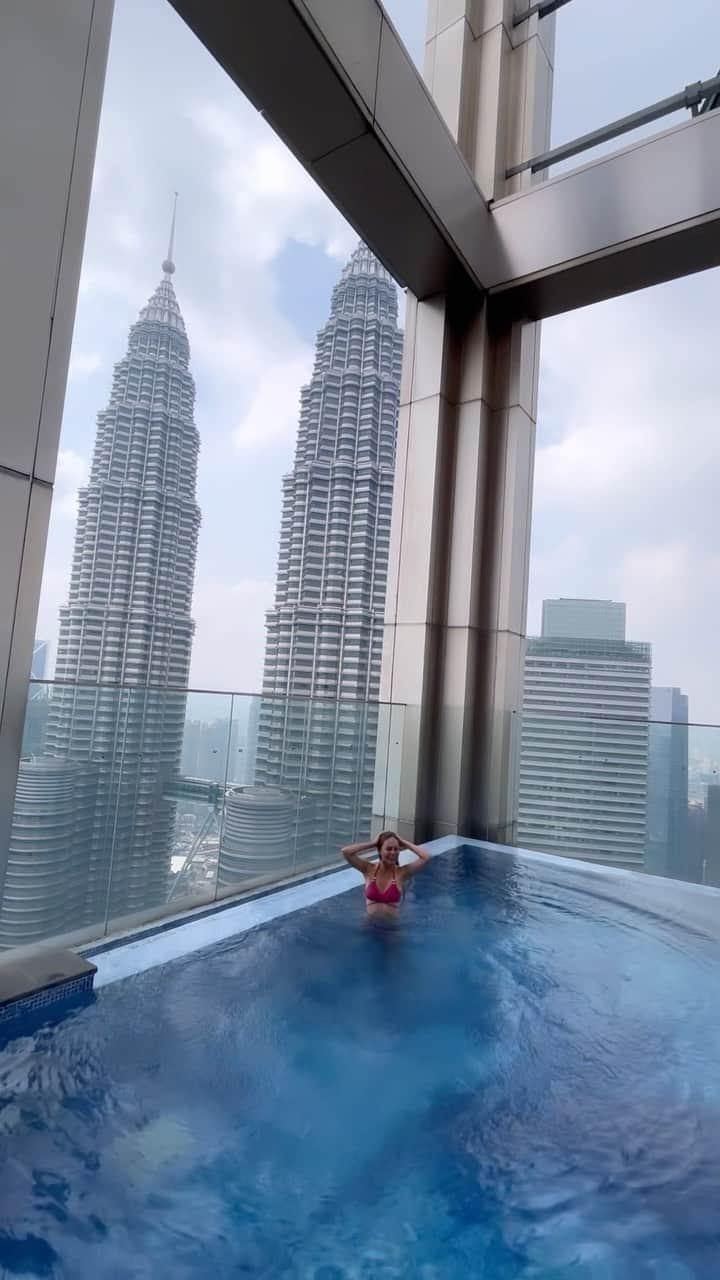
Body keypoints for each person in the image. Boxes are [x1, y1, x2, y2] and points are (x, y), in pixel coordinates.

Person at [341, 831, 430, 918]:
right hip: (369, 927)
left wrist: (403, 842)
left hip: (392, 930)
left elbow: (426, 857)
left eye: (396, 849)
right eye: (389, 849)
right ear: (379, 851)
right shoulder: (368, 869)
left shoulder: (402, 873)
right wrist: (372, 843)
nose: (393, 852)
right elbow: (346, 852)